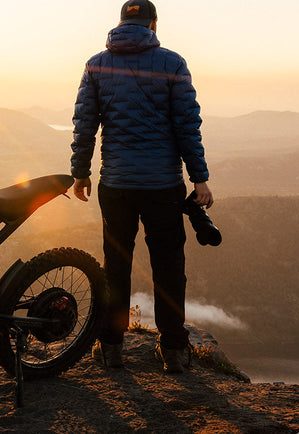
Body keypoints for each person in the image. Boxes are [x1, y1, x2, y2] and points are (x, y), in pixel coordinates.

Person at [70, 0, 213, 374]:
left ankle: (112, 348)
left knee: (115, 265)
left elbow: (85, 124)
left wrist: (80, 171)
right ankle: (175, 352)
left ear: (120, 23)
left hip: (115, 184)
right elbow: (187, 126)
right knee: (168, 265)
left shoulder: (96, 64)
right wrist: (199, 177)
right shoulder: (172, 63)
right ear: (153, 24)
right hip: (162, 186)